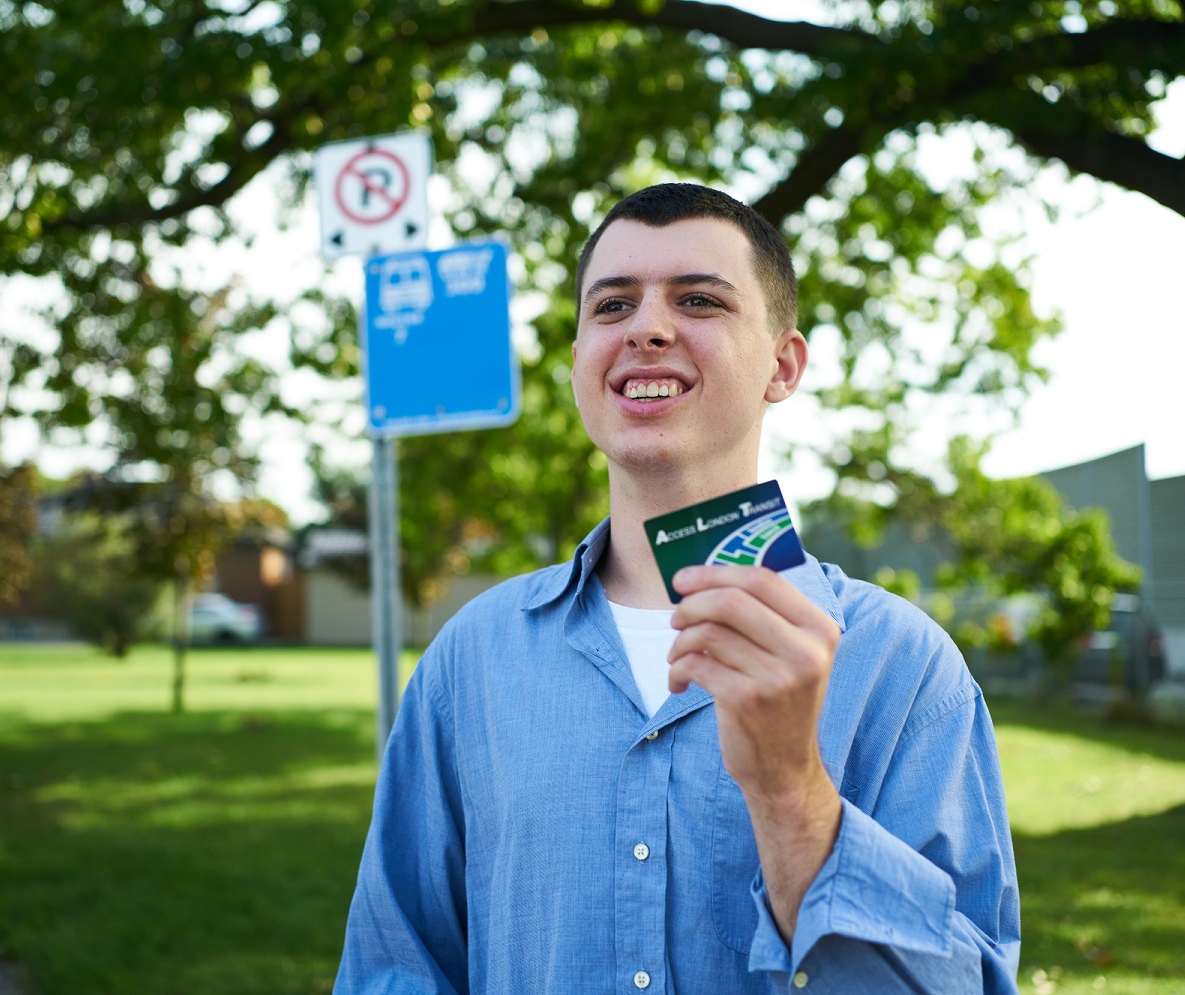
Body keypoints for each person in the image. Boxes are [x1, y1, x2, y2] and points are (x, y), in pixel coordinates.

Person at [335, 183, 1020, 993]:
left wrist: (788, 787)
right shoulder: (469, 662)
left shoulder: (904, 669)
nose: (647, 328)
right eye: (612, 305)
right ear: (580, 362)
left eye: (698, 299)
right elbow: (396, 967)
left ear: (783, 364)